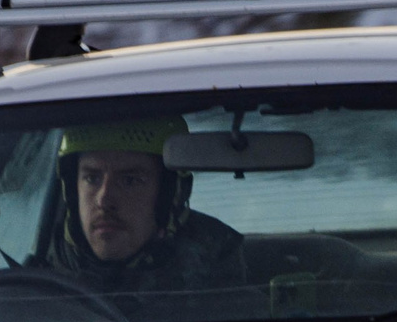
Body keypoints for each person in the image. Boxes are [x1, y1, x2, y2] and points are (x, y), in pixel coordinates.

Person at [38, 117, 245, 296]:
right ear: (72, 191)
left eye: (130, 181)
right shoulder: (35, 280)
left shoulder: (218, 281)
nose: (104, 200)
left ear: (171, 194)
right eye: (92, 178)